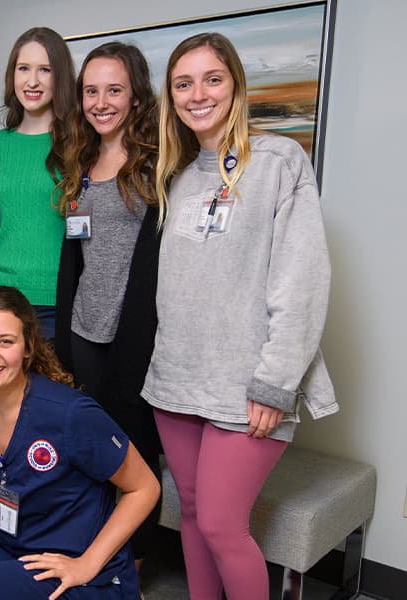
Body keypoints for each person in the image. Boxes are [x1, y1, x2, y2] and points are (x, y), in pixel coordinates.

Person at [142, 32, 337, 600]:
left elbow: (302, 282)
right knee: (195, 516)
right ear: (170, 97)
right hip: (177, 380)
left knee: (225, 524)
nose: (197, 94)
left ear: (235, 85)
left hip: (247, 385)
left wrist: (275, 383)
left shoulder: (279, 161)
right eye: (183, 83)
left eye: (212, 79)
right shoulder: (176, 174)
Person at [0, 286, 161, 599]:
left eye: (5, 341)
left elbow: (145, 488)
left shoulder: (69, 413)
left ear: (28, 347)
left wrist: (87, 564)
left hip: (78, 573)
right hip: (9, 553)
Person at [54, 41, 163, 577]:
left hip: (138, 336)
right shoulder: (81, 161)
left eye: (114, 90)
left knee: (136, 452)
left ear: (136, 96)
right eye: (91, 90)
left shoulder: (160, 163)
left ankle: (133, 568)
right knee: (92, 447)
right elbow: (75, 254)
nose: (101, 102)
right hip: (85, 330)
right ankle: (95, 552)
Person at [0, 27, 76, 339]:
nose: (32, 81)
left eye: (45, 70)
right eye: (23, 68)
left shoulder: (78, 143)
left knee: (49, 389)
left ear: (60, 77)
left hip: (55, 298)